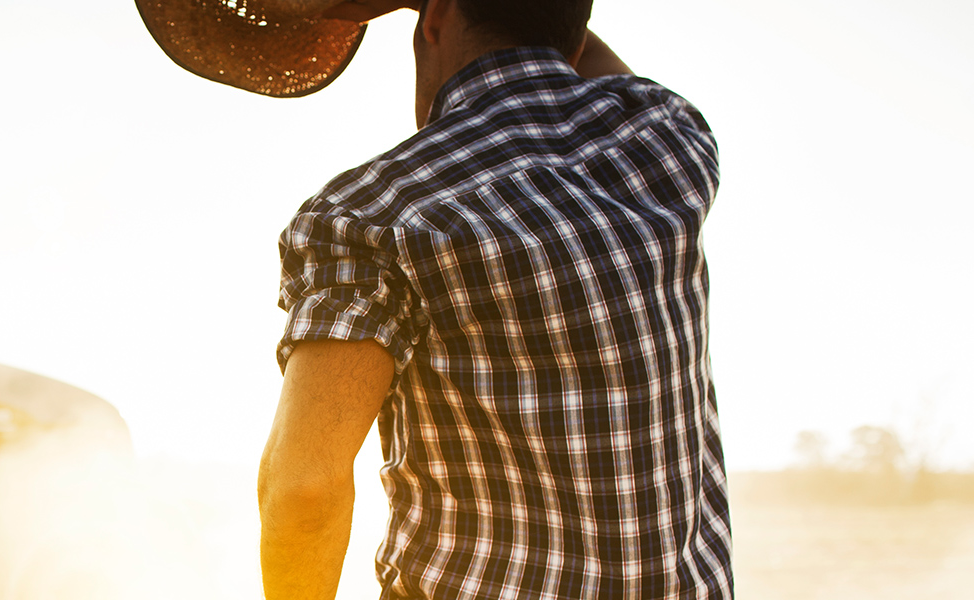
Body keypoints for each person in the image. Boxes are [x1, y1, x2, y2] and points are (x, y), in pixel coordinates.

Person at [137, 0, 727, 598]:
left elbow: (304, 488)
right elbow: (569, 44)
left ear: (435, 21)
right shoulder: (663, 138)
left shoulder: (373, 215)